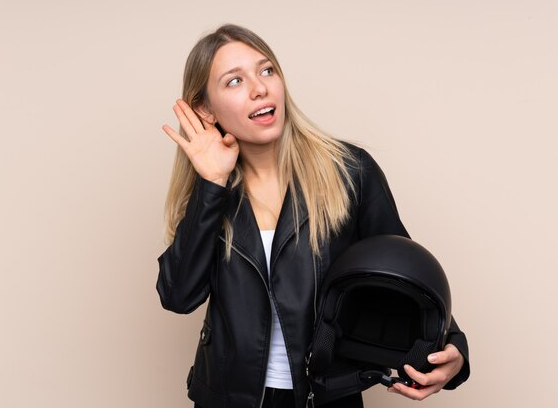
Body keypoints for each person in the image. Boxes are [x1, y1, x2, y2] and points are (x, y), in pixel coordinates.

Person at [156, 24, 470, 408]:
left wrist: (452, 343)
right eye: (235, 81)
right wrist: (212, 186)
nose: (260, 88)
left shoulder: (350, 171)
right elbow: (178, 296)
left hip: (328, 396)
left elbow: (402, 268)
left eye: (266, 70)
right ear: (205, 108)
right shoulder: (213, 191)